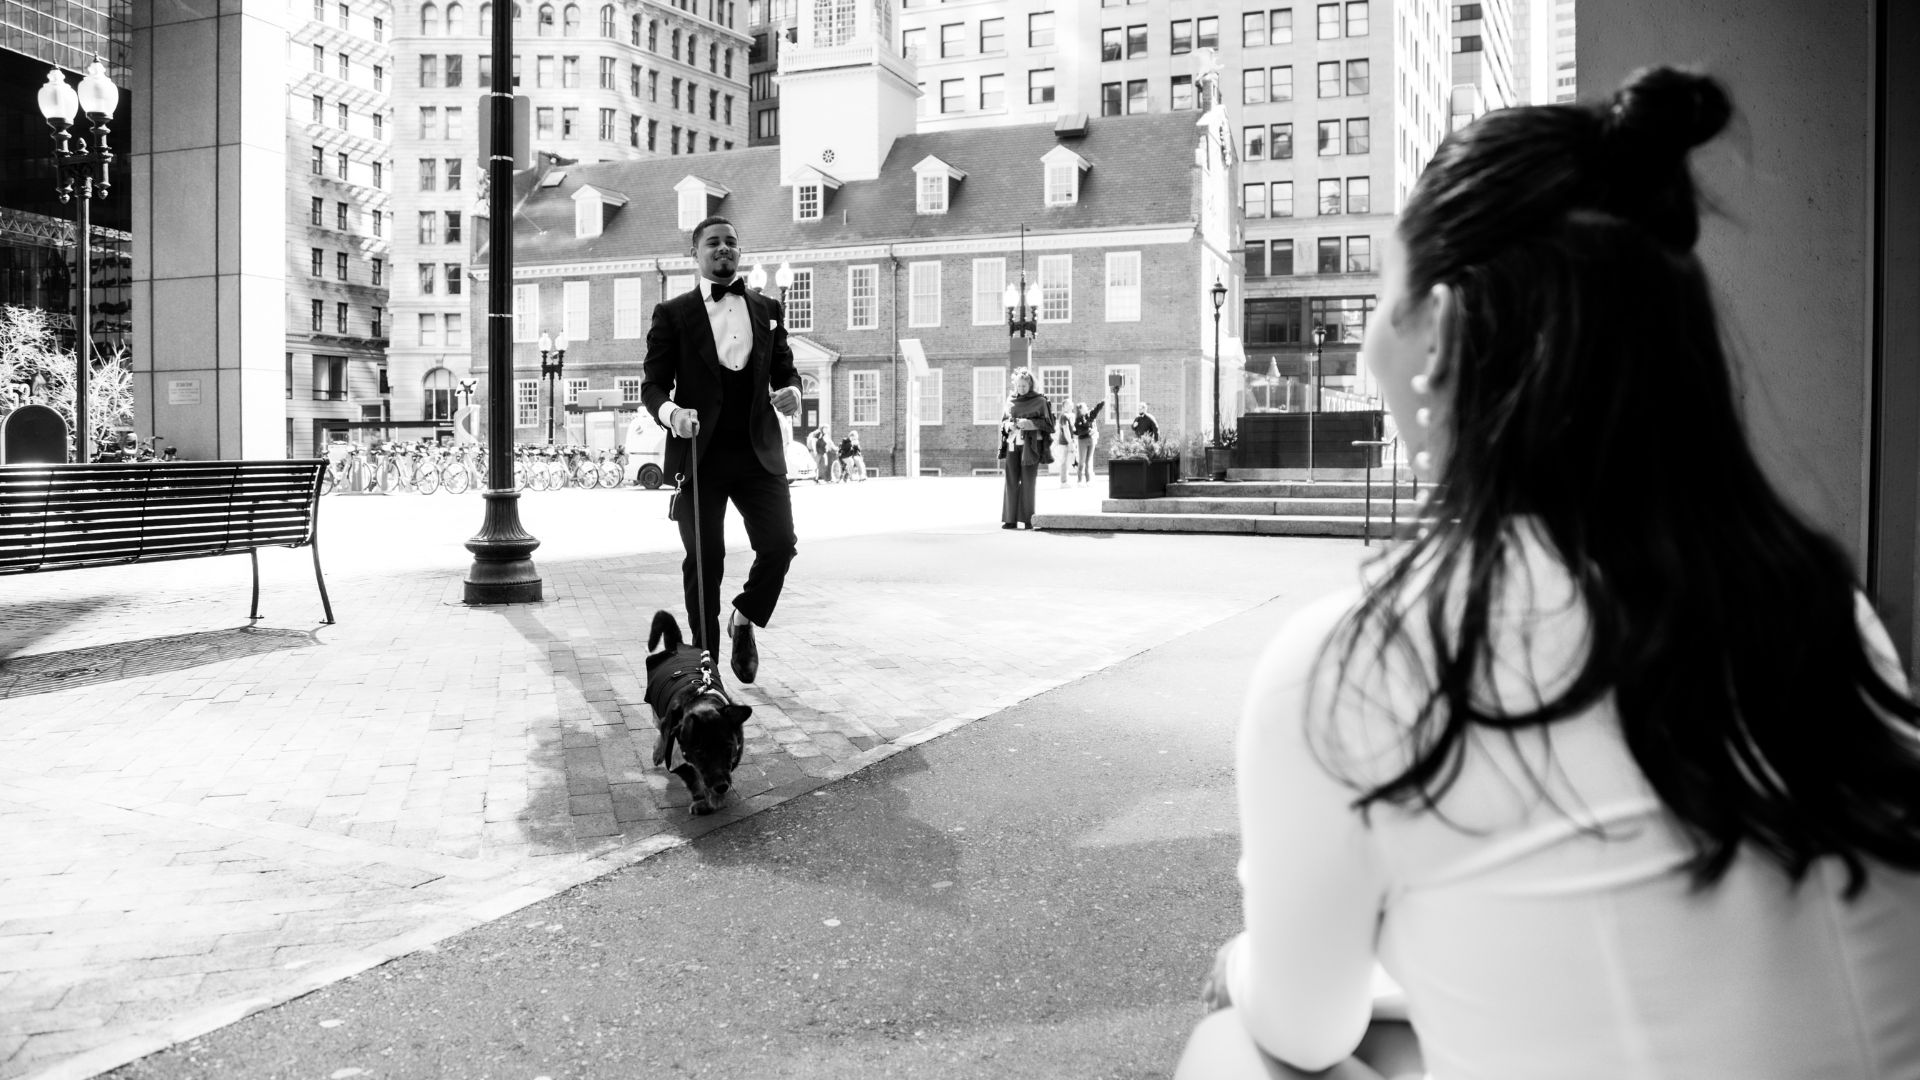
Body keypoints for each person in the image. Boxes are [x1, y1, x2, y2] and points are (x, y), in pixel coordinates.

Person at [1179, 67, 1920, 1080]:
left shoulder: (1358, 662)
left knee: (1234, 1050)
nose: (1363, 360)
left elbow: (1305, 1026)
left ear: (1437, 330)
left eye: (1381, 306)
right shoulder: (1826, 609)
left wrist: (1240, 961)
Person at [641, 215, 803, 685]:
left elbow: (784, 372)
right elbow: (653, 386)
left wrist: (791, 391)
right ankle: (704, 669)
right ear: (695, 254)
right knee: (705, 562)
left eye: (731, 241)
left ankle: (744, 619)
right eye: (713, 242)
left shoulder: (767, 308)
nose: (724, 249)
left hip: (758, 453)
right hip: (700, 455)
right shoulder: (672, 313)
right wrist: (674, 415)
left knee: (779, 545)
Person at [998, 367, 1054, 530]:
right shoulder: (1010, 400)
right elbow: (1003, 423)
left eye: (1024, 386)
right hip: (1012, 445)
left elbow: (1049, 425)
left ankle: (1029, 518)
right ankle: (1010, 519)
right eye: (1019, 386)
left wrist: (1030, 424)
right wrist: (1008, 425)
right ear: (1015, 384)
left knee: (1029, 481)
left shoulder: (1040, 401)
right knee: (1011, 480)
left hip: (1031, 446)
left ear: (1030, 385)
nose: (1021, 389)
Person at [1071, 401, 1104, 484]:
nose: (1087, 407)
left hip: (1091, 440)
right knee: (1082, 461)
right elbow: (1079, 431)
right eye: (1085, 407)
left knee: (1088, 461)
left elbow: (1096, 410)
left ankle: (1088, 480)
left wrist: (1103, 401)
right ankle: (1079, 480)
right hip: (1082, 441)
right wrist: (1089, 430)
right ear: (1081, 409)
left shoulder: (1089, 415)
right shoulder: (1078, 419)